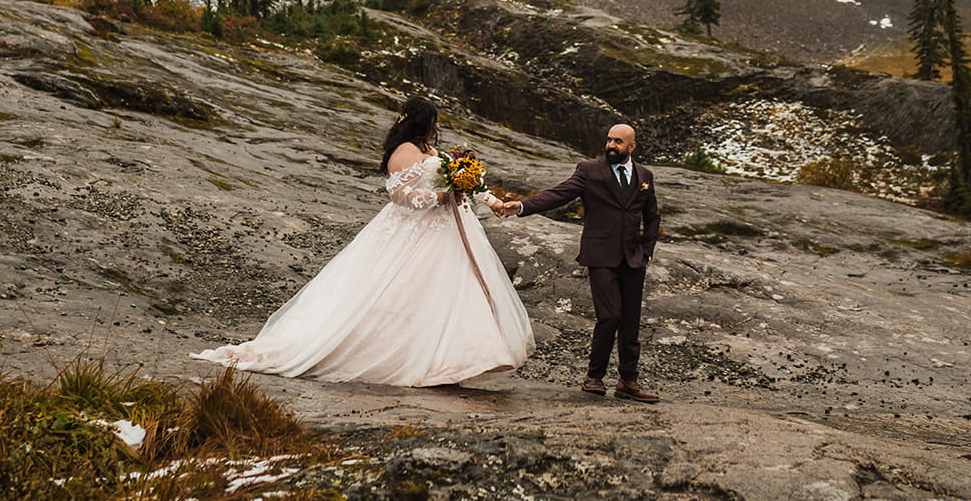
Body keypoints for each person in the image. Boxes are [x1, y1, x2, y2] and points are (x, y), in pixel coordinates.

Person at [193, 97, 533, 386]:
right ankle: (417, 357)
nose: (437, 128)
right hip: (414, 232)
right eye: (434, 122)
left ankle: (468, 356)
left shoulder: (431, 150)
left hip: (449, 231)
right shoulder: (402, 152)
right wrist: (440, 199)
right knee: (405, 292)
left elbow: (465, 180)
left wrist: (493, 202)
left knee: (457, 290)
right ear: (424, 123)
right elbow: (399, 195)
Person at [495, 122, 661, 402]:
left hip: (633, 259)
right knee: (609, 316)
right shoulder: (589, 170)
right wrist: (521, 206)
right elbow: (558, 194)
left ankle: (628, 382)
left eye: (618, 142)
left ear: (631, 147)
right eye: (609, 139)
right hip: (600, 256)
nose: (611, 145)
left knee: (631, 321)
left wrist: (647, 250)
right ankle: (594, 377)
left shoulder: (645, 175)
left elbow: (652, 215)